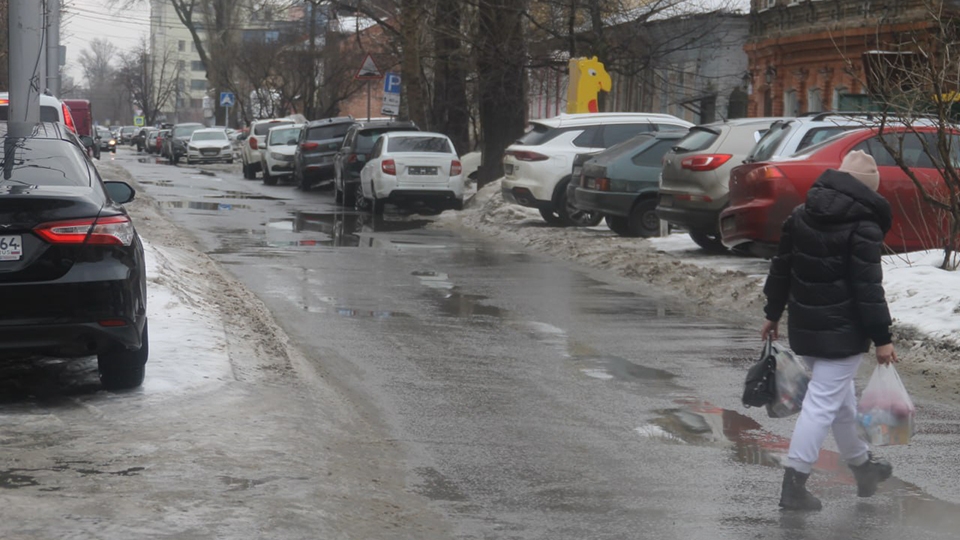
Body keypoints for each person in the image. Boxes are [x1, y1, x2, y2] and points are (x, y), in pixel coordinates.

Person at [760, 150, 897, 511]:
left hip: (806, 327)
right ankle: (794, 484)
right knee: (822, 403)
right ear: (868, 190)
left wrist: (772, 313)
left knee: (839, 402)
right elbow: (869, 289)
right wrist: (883, 338)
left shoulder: (801, 215)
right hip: (843, 332)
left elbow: (781, 268)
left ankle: (864, 467)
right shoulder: (864, 226)